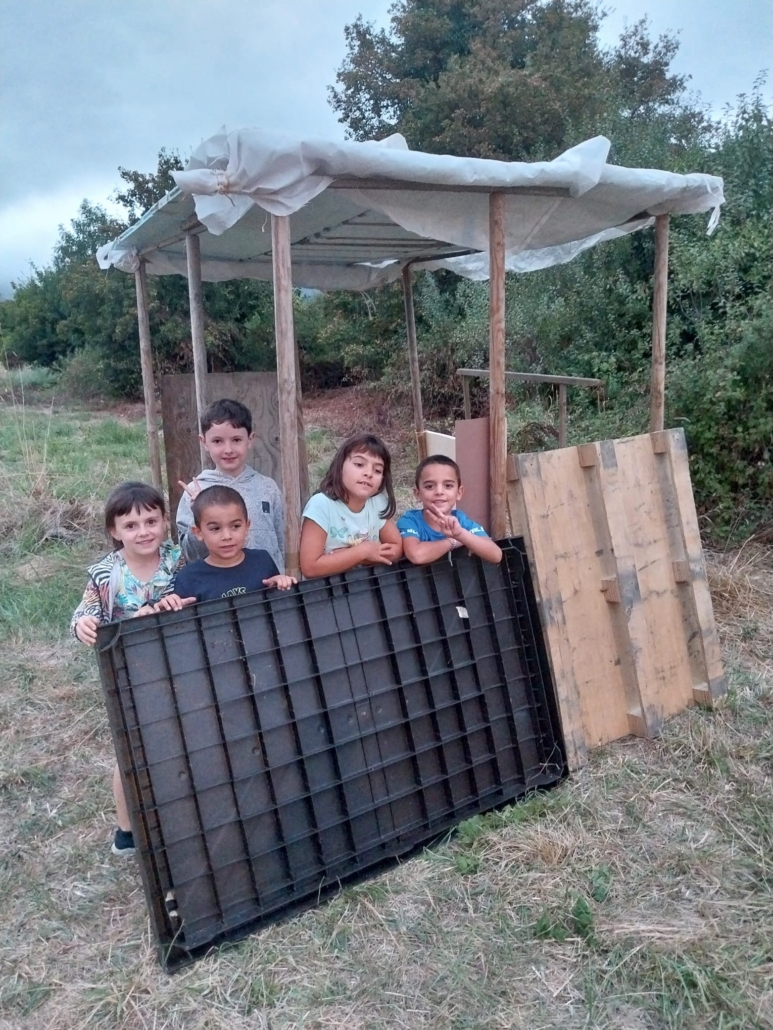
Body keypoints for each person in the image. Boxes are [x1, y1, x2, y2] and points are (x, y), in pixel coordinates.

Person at [71, 481, 185, 857]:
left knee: (177, 741)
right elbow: (85, 613)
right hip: (129, 674)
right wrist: (84, 624)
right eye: (131, 526)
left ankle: (178, 815)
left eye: (151, 521)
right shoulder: (107, 574)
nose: (143, 532)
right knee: (131, 752)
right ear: (114, 531)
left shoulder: (178, 558)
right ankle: (127, 831)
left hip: (178, 666)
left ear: (165, 522)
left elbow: (196, 589)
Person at [176, 398, 285, 572]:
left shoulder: (268, 488)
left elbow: (281, 541)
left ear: (250, 439)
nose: (228, 449)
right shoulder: (195, 491)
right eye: (218, 441)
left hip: (266, 582)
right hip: (218, 584)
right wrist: (197, 511)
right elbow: (190, 554)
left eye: (236, 440)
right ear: (204, 442)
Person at [159, 485, 296, 605]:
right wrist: (171, 606)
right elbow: (183, 622)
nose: (227, 536)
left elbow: (280, 608)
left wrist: (281, 584)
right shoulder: (189, 578)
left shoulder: (262, 561)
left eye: (235, 526)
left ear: (247, 526)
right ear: (198, 532)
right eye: (215, 528)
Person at [299, 433, 402, 578]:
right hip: (327, 588)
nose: (369, 473)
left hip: (367, 585)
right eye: (359, 464)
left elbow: (397, 548)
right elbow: (310, 567)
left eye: (377, 470)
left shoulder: (377, 503)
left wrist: (357, 555)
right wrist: (362, 551)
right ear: (340, 466)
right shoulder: (321, 505)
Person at [397, 454, 503, 565]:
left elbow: (496, 555)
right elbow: (416, 555)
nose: (439, 492)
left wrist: (460, 534)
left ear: (459, 493)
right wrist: (453, 541)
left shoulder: (461, 522)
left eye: (448, 486)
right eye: (429, 486)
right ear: (417, 493)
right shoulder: (409, 521)